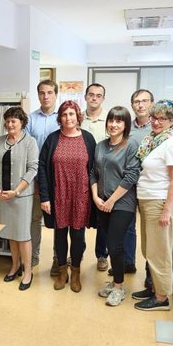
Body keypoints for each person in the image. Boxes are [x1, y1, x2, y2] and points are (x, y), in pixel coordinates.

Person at [38, 100, 97, 292]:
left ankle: (76, 272)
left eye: (71, 114)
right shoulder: (52, 139)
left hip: (81, 196)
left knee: (78, 236)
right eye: (64, 115)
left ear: (78, 116)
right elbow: (42, 169)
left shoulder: (88, 139)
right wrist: (45, 197)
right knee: (60, 236)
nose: (68, 118)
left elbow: (95, 170)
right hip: (59, 195)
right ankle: (62, 272)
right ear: (60, 118)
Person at [133, 100, 173, 311]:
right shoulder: (153, 139)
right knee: (149, 249)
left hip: (159, 201)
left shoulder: (172, 143)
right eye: (154, 117)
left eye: (162, 118)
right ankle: (155, 288)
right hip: (148, 199)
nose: (156, 122)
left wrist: (166, 210)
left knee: (159, 252)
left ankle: (162, 297)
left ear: (172, 121)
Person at [91, 106, 140, 306]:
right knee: (110, 243)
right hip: (102, 201)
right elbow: (93, 172)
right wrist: (96, 197)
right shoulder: (100, 146)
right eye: (111, 120)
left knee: (115, 245)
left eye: (119, 121)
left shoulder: (131, 145)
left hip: (122, 203)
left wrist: (112, 201)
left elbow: (131, 175)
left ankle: (119, 287)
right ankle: (115, 282)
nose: (113, 124)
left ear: (126, 125)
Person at [0, 107, 39, 291]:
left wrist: (17, 191)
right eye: (8, 121)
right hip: (3, 196)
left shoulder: (30, 142)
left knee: (23, 235)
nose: (10, 124)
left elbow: (33, 169)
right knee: (10, 234)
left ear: (22, 123)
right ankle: (15, 266)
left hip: (21, 197)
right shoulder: (0, 141)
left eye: (14, 121)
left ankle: (27, 272)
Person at [107, 88, 155, 278]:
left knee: (150, 230)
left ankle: (151, 274)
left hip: (149, 184)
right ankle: (127, 262)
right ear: (132, 104)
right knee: (128, 227)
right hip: (127, 184)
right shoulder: (128, 126)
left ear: (151, 103)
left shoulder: (157, 127)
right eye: (137, 101)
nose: (141, 105)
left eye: (145, 101)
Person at [24, 79, 60, 272]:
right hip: (36, 177)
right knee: (35, 219)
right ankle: (34, 255)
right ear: (38, 95)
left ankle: (57, 258)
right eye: (42, 92)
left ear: (56, 94)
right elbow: (27, 147)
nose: (46, 96)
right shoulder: (30, 119)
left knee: (58, 220)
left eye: (50, 92)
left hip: (57, 178)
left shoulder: (62, 118)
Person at [81, 83, 110, 272]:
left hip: (102, 176)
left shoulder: (109, 120)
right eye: (91, 94)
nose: (94, 98)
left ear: (103, 99)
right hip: (79, 174)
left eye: (98, 95)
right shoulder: (77, 118)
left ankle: (101, 254)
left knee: (102, 217)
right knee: (80, 214)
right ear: (85, 96)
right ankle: (78, 250)